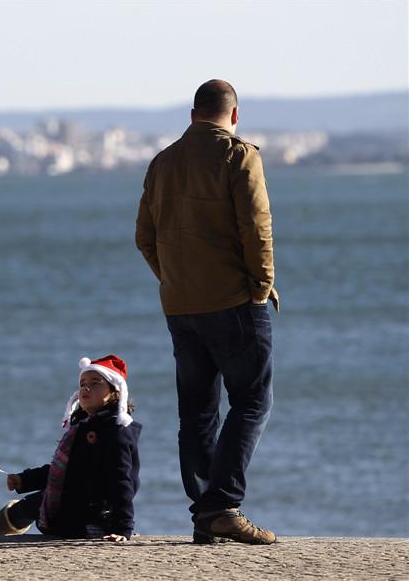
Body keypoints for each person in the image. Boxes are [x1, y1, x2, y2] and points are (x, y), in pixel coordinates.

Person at [135, 79, 278, 545]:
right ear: (233, 115)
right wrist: (261, 286)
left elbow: (144, 236)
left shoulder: (162, 162)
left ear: (193, 113)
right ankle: (222, 506)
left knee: (197, 413)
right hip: (233, 301)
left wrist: (172, 279)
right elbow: (256, 228)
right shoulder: (239, 156)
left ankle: (204, 513)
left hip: (180, 306)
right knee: (253, 400)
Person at [0, 355, 142, 541]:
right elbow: (64, 472)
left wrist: (123, 528)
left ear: (115, 392)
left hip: (94, 518)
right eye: (83, 383)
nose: (86, 387)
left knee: (39, 502)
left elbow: (122, 482)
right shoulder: (83, 427)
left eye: (95, 383)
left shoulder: (116, 432)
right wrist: (24, 480)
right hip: (75, 506)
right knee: (34, 502)